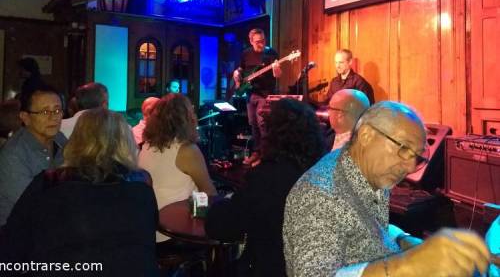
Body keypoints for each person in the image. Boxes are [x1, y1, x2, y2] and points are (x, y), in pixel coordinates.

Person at [283, 101, 491, 277]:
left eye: (417, 157)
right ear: (366, 135)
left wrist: (406, 240)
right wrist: (408, 265)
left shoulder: (366, 168)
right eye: (403, 148)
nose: (410, 167)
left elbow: (366, 225)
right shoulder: (319, 194)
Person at [0, 108, 159, 276]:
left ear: (77, 140)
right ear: (125, 143)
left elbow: (13, 240)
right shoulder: (141, 184)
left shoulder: (49, 182)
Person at [205, 99, 326, 276]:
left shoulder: (264, 177)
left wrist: (219, 205)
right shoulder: (322, 173)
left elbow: (223, 227)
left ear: (273, 134)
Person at [138, 93, 216, 243]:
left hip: (148, 229)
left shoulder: (146, 146)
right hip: (174, 233)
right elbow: (209, 193)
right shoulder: (187, 150)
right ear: (186, 119)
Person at [0, 85, 67, 226]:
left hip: (53, 223)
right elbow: (34, 206)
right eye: (45, 111)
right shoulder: (13, 155)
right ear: (25, 118)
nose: (53, 117)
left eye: (57, 110)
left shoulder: (60, 139)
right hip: (19, 230)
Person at [233, 28, 281, 166]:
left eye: (263, 40)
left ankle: (265, 155)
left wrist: (276, 68)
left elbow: (278, 75)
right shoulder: (246, 53)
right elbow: (240, 69)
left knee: (262, 124)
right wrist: (236, 75)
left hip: (265, 94)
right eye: (258, 42)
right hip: (250, 93)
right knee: (253, 123)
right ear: (251, 41)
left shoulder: (271, 53)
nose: (261, 44)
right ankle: (256, 152)